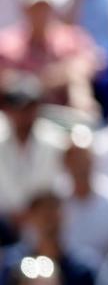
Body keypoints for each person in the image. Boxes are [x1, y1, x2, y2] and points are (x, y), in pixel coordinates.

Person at [0, 0, 98, 112]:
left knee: (78, 82)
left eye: (44, 7)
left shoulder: (71, 39)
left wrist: (58, 76)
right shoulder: (8, 42)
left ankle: (83, 122)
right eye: (35, 7)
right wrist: (40, 82)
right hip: (17, 115)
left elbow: (90, 64)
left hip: (60, 116)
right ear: (25, 8)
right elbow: (5, 80)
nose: (40, 13)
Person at [59, 126, 108, 270]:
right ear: (65, 163)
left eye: (85, 160)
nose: (80, 166)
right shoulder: (54, 201)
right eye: (74, 160)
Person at [0, 73, 65, 225]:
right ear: (8, 109)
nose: (23, 114)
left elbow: (54, 187)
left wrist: (32, 215)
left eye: (29, 107)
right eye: (17, 107)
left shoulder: (56, 141)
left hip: (43, 223)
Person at [0, 189, 97, 285]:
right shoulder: (13, 265)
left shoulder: (81, 268)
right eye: (43, 213)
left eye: (53, 211)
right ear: (30, 217)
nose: (49, 221)